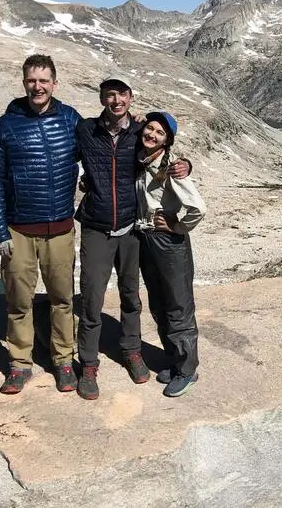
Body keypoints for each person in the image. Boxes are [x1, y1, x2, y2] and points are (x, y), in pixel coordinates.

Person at [73, 79, 190, 400]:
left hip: (131, 228)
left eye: (121, 94)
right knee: (92, 298)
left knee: (131, 297)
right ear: (101, 98)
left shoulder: (139, 132)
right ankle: (89, 364)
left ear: (130, 98)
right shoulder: (85, 130)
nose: (116, 100)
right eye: (109, 94)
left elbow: (165, 148)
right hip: (96, 227)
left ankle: (132, 351)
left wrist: (186, 165)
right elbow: (65, 157)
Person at [0, 54, 81, 395]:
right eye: (31, 81)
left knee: (63, 300)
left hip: (60, 229)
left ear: (55, 82)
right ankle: (19, 364)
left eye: (44, 80)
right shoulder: (7, 125)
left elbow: (102, 153)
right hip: (19, 229)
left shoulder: (70, 119)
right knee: (18, 302)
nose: (37, 87)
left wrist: (135, 125)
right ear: (24, 82)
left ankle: (64, 361)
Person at [134, 111, 207, 397]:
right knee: (158, 302)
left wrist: (177, 225)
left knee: (178, 305)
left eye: (159, 132)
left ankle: (188, 370)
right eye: (149, 128)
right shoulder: (141, 160)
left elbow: (198, 208)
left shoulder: (171, 168)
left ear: (168, 141)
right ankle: (176, 361)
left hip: (169, 243)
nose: (152, 134)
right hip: (147, 239)